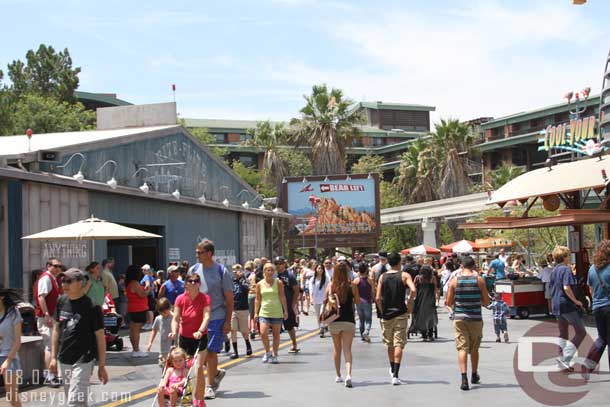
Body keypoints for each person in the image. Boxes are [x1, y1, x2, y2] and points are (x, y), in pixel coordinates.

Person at [50, 268, 108, 405]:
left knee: (74, 400)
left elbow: (100, 337)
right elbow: (56, 330)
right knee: (76, 399)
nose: (64, 284)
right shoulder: (61, 301)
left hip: (84, 359)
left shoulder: (92, 306)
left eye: (69, 281)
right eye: (63, 280)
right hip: (64, 358)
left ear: (80, 283)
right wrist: (53, 357)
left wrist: (101, 365)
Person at [188, 239, 233, 400]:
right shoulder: (193, 270)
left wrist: (228, 321)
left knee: (211, 352)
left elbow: (229, 298)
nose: (197, 255)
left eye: (199, 252)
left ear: (209, 253)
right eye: (196, 252)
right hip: (198, 319)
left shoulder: (221, 271)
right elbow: (189, 295)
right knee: (201, 353)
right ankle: (216, 373)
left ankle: (210, 385)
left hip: (216, 316)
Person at [446, 256, 490, 391]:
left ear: (461, 266)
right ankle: (474, 374)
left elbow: (448, 302)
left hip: (460, 318)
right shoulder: (479, 280)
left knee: (462, 348)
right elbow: (486, 301)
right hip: (475, 318)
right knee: (474, 348)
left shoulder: (454, 281)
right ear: (474, 266)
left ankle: (464, 378)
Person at [170, 273, 211, 407]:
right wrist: (174, 331)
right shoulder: (180, 299)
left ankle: (199, 398)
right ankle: (190, 396)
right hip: (184, 338)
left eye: (196, 281)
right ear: (186, 283)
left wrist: (200, 330)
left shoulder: (205, 298)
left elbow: (206, 316)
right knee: (186, 370)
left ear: (199, 283)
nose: (193, 283)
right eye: (190, 281)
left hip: (199, 338)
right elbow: (175, 318)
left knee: (198, 367)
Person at [375, 252, 416, 386]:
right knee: (399, 343)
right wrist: (409, 303)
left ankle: (392, 368)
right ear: (399, 262)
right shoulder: (404, 275)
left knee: (389, 343)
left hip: (387, 314)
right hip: (400, 313)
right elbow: (413, 290)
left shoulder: (382, 277)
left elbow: (377, 297)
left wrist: (381, 311)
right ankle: (396, 375)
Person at [550, 246, 586, 372]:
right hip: (566, 304)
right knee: (581, 332)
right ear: (564, 257)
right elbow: (566, 287)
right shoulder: (566, 269)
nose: (570, 257)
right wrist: (576, 301)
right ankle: (565, 358)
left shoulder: (554, 270)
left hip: (556, 304)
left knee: (563, 333)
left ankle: (561, 359)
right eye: (568, 255)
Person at [327, 263, 360, 388]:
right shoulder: (352, 285)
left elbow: (327, 300)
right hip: (349, 320)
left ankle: (338, 375)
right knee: (347, 349)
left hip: (334, 320)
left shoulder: (331, 285)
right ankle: (348, 375)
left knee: (337, 348)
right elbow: (357, 301)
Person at [34, 257, 62, 388]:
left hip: (52, 316)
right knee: (49, 346)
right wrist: (46, 314)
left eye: (59, 266)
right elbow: (41, 297)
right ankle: (50, 376)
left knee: (51, 345)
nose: (57, 269)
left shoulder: (53, 279)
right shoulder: (46, 278)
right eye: (55, 266)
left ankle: (49, 373)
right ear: (48, 266)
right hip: (46, 317)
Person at [583, 240, 610, 377]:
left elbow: (590, 289)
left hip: (598, 307)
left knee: (602, 338)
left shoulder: (592, 268)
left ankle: (588, 365)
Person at [255, 263, 288, 364]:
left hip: (276, 311)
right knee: (263, 333)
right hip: (264, 311)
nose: (269, 272)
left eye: (271, 270)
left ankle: (275, 354)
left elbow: (282, 296)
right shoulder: (259, 284)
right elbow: (257, 299)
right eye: (267, 270)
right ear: (264, 271)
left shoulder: (278, 282)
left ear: (274, 272)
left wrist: (285, 310)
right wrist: (256, 313)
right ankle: (267, 352)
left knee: (276, 335)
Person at [0, 287, 24, 407]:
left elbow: (18, 340)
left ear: (2, 296)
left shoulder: (13, 312)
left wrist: (7, 361)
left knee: (11, 395)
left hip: (10, 357)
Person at [274, 256, 300, 353]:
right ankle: (274, 349)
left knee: (289, 325)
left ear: (284, 264)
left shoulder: (289, 275)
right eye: (276, 263)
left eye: (280, 263)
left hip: (287, 304)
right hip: (275, 304)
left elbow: (296, 289)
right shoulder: (273, 275)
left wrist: (293, 303)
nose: (278, 266)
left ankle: (294, 344)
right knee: (275, 326)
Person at [126, 265, 150, 357]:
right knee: (136, 330)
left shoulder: (130, 283)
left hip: (133, 308)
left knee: (133, 329)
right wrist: (148, 289)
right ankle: (136, 350)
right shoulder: (134, 283)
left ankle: (135, 349)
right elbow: (142, 294)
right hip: (138, 308)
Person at [410, 265, 438, 342]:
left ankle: (424, 334)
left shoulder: (418, 278)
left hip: (420, 298)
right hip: (430, 298)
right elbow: (435, 289)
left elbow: (413, 287)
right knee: (430, 316)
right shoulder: (432, 278)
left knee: (421, 315)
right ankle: (430, 334)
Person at [230, 264, 252, 359]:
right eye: (234, 270)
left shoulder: (244, 280)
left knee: (244, 331)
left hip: (243, 308)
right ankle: (235, 352)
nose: (235, 272)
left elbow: (247, 288)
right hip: (233, 309)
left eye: (237, 270)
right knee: (233, 329)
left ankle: (248, 344)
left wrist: (241, 278)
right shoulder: (231, 282)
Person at [147, 297, 174, 368]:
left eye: (165, 312)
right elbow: (154, 330)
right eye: (161, 313)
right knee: (164, 366)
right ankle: (164, 378)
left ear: (169, 308)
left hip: (174, 347)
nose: (164, 315)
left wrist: (173, 332)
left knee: (174, 365)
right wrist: (150, 343)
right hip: (164, 348)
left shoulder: (174, 317)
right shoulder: (158, 319)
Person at [353, 262, 374, 342]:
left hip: (358, 302)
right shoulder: (370, 280)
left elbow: (354, 292)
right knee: (368, 319)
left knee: (361, 319)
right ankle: (366, 331)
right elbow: (372, 292)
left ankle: (362, 335)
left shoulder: (356, 281)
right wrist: (373, 299)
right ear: (366, 270)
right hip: (367, 301)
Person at [310, 263, 330, 337]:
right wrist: (311, 299)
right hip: (315, 299)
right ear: (316, 269)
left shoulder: (326, 278)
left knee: (322, 314)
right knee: (318, 315)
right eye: (318, 268)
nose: (320, 270)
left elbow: (328, 289)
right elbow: (310, 290)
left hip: (323, 299)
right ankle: (320, 328)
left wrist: (327, 298)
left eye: (321, 268)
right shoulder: (312, 279)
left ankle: (322, 328)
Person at [247, 263, 263, 340]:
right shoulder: (260, 278)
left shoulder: (249, 276)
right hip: (258, 295)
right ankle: (260, 331)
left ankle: (252, 329)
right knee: (259, 313)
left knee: (252, 314)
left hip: (250, 295)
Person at [141, 265, 156, 330]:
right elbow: (153, 286)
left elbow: (147, 285)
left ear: (146, 270)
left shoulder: (146, 276)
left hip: (148, 295)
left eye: (143, 270)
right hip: (150, 295)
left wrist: (144, 291)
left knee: (149, 310)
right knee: (148, 310)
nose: (142, 271)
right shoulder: (150, 277)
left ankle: (150, 324)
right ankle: (148, 323)